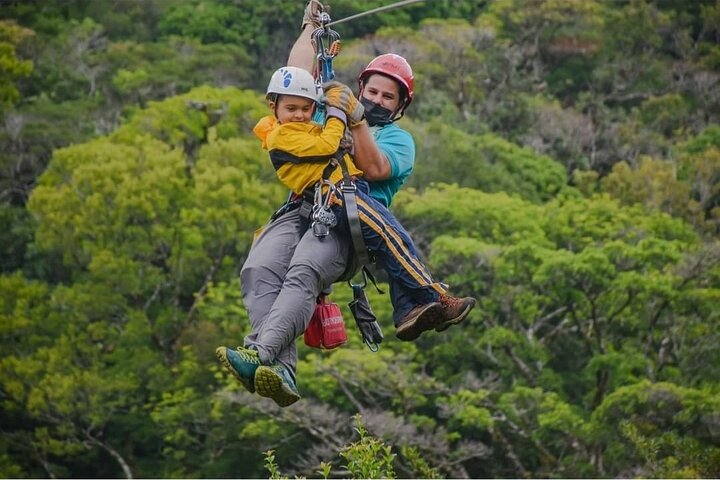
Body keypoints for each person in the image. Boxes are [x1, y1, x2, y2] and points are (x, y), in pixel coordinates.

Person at [216, 1, 475, 408]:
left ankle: (259, 352)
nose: (376, 99)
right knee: (259, 268)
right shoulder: (326, 110)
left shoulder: (397, 140)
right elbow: (298, 78)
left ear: (399, 106)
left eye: (387, 97)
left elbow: (372, 168)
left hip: (348, 220)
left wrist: (353, 118)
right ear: (361, 85)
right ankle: (279, 366)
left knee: (304, 272)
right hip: (302, 206)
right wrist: (310, 27)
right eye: (371, 90)